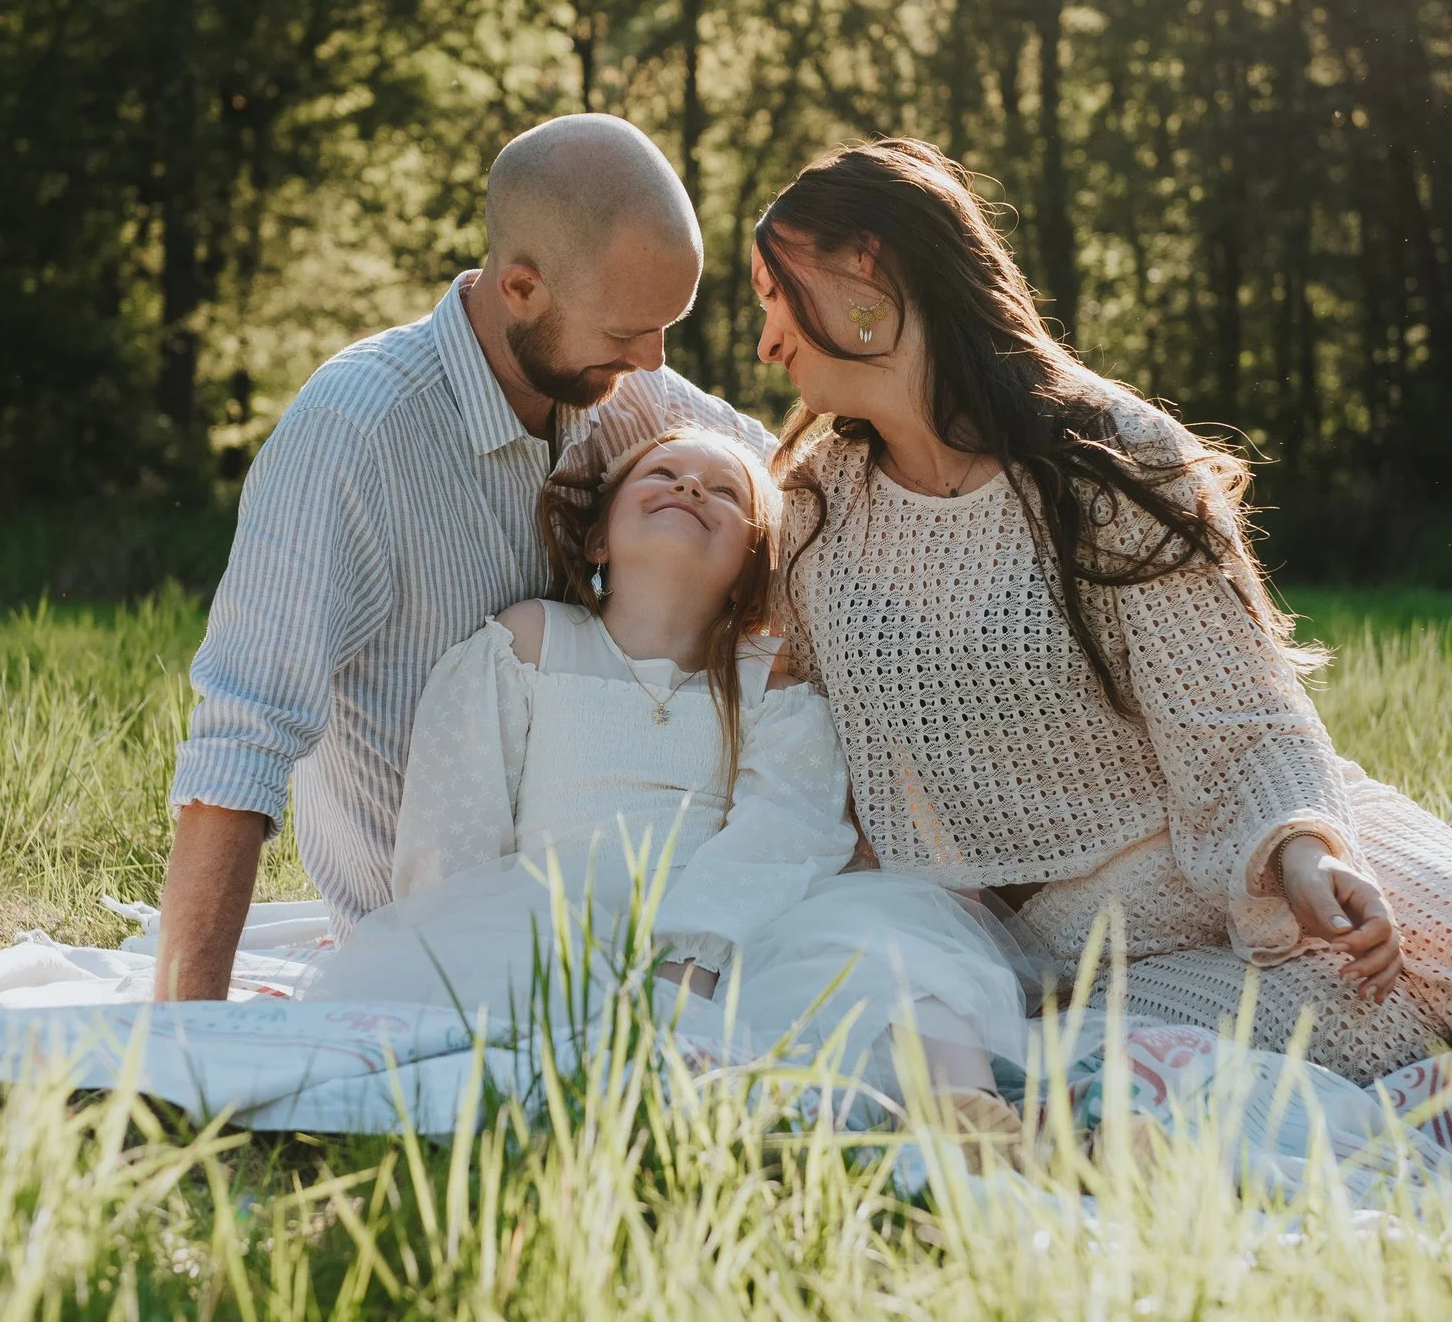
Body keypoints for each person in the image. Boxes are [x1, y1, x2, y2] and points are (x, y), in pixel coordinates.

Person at [751, 138, 1452, 1084]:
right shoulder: (815, 510)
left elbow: (1240, 712)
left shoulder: (1111, 452)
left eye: (774, 293)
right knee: (1358, 1026)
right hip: (1077, 952)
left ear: (866, 262)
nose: (766, 341)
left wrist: (1305, 851)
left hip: (1257, 835)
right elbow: (796, 748)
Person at [154, 113, 769, 1002]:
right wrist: (186, 1033)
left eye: (665, 326)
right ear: (520, 287)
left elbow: (792, 480)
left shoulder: (623, 387)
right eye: (629, 331)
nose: (654, 359)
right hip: (431, 955)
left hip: (661, 939)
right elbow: (242, 736)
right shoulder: (356, 435)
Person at [301, 429, 1034, 1125]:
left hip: (733, 930)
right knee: (528, 1012)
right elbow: (456, 814)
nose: (689, 485)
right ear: (599, 540)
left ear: (752, 563)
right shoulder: (530, 641)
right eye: (663, 473)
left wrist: (695, 953)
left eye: (725, 490)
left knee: (892, 953)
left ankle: (970, 1112)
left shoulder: (768, 684)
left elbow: (787, 826)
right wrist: (450, 936)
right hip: (553, 922)